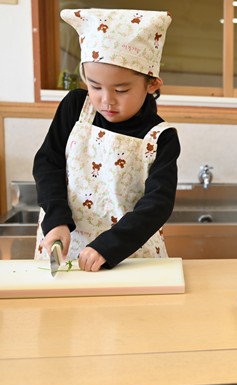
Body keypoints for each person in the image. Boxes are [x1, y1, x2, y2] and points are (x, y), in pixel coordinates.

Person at [33, 8, 180, 272]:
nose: (106, 100)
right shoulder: (75, 108)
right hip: (67, 245)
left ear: (151, 85)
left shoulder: (161, 137)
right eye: (95, 86)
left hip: (130, 256)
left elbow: (158, 204)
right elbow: (48, 163)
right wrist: (55, 219)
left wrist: (109, 246)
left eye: (121, 90)